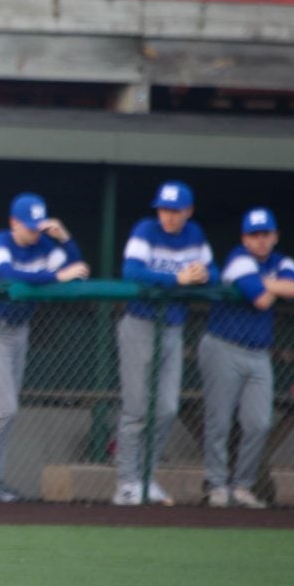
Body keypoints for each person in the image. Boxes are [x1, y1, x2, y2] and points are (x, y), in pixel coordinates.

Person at [0, 193, 89, 504]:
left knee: (7, 409)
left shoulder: (45, 245)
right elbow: (5, 274)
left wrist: (65, 239)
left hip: (20, 330)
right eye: (29, 226)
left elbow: (78, 269)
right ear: (14, 222)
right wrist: (55, 277)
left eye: (38, 226)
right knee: (6, 408)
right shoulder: (1, 241)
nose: (34, 232)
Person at [114, 181, 216, 506]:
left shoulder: (194, 234)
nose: (168, 217)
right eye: (164, 210)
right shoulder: (146, 230)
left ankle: (145, 478)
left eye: (175, 211)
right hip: (140, 325)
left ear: (188, 211)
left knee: (167, 409)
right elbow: (131, 271)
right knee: (136, 409)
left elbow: (213, 273)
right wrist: (176, 279)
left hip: (172, 328)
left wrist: (203, 275)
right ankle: (126, 483)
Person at [199, 208, 294, 508]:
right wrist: (273, 285)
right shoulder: (238, 259)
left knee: (259, 423)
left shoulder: (283, 261)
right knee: (218, 421)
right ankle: (216, 485)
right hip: (223, 346)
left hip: (258, 354)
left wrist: (264, 282)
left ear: (275, 236)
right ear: (245, 238)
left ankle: (242, 486)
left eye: (265, 234)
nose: (260, 240)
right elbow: (262, 300)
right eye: (254, 235)